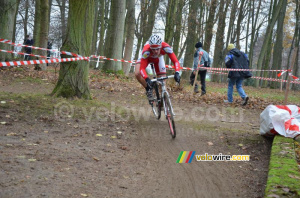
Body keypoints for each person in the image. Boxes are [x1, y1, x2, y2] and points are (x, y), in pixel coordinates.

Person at [135, 34, 181, 101]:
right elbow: (142, 68)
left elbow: (175, 61)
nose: (156, 51)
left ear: (161, 46)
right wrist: (147, 79)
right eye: (153, 49)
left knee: (162, 81)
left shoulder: (166, 47)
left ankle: (165, 101)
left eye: (157, 49)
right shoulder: (146, 51)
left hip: (158, 59)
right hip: (147, 58)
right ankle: (148, 89)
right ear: (150, 48)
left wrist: (177, 72)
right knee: (137, 73)